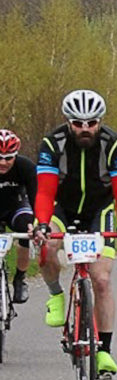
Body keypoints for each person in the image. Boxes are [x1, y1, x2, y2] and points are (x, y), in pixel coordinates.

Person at [33, 89, 117, 375]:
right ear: (69, 122)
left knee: (101, 280)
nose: (85, 129)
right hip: (61, 208)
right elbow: (43, 191)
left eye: (91, 123)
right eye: (78, 123)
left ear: (99, 121)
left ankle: (104, 351)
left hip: (99, 211)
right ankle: (55, 294)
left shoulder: (113, 144)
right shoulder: (52, 143)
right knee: (47, 245)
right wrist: (42, 224)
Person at [0, 128, 36, 303]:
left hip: (16, 207)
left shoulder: (26, 166)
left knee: (26, 226)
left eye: (8, 158)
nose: (3, 162)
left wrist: (36, 223)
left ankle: (20, 279)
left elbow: (37, 197)